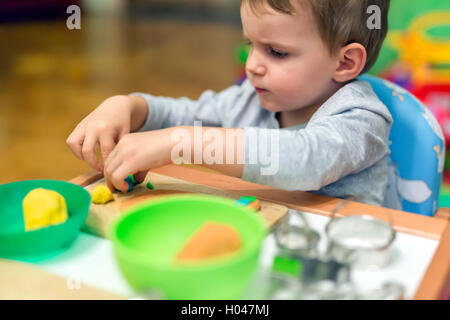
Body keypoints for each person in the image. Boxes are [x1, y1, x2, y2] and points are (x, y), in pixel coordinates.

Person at [67, 0, 392, 206]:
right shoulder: (249, 100)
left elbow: (305, 159)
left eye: (276, 52)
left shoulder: (362, 117)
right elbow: (185, 115)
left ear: (345, 62)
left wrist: (181, 143)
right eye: (250, 44)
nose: (252, 64)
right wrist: (128, 106)